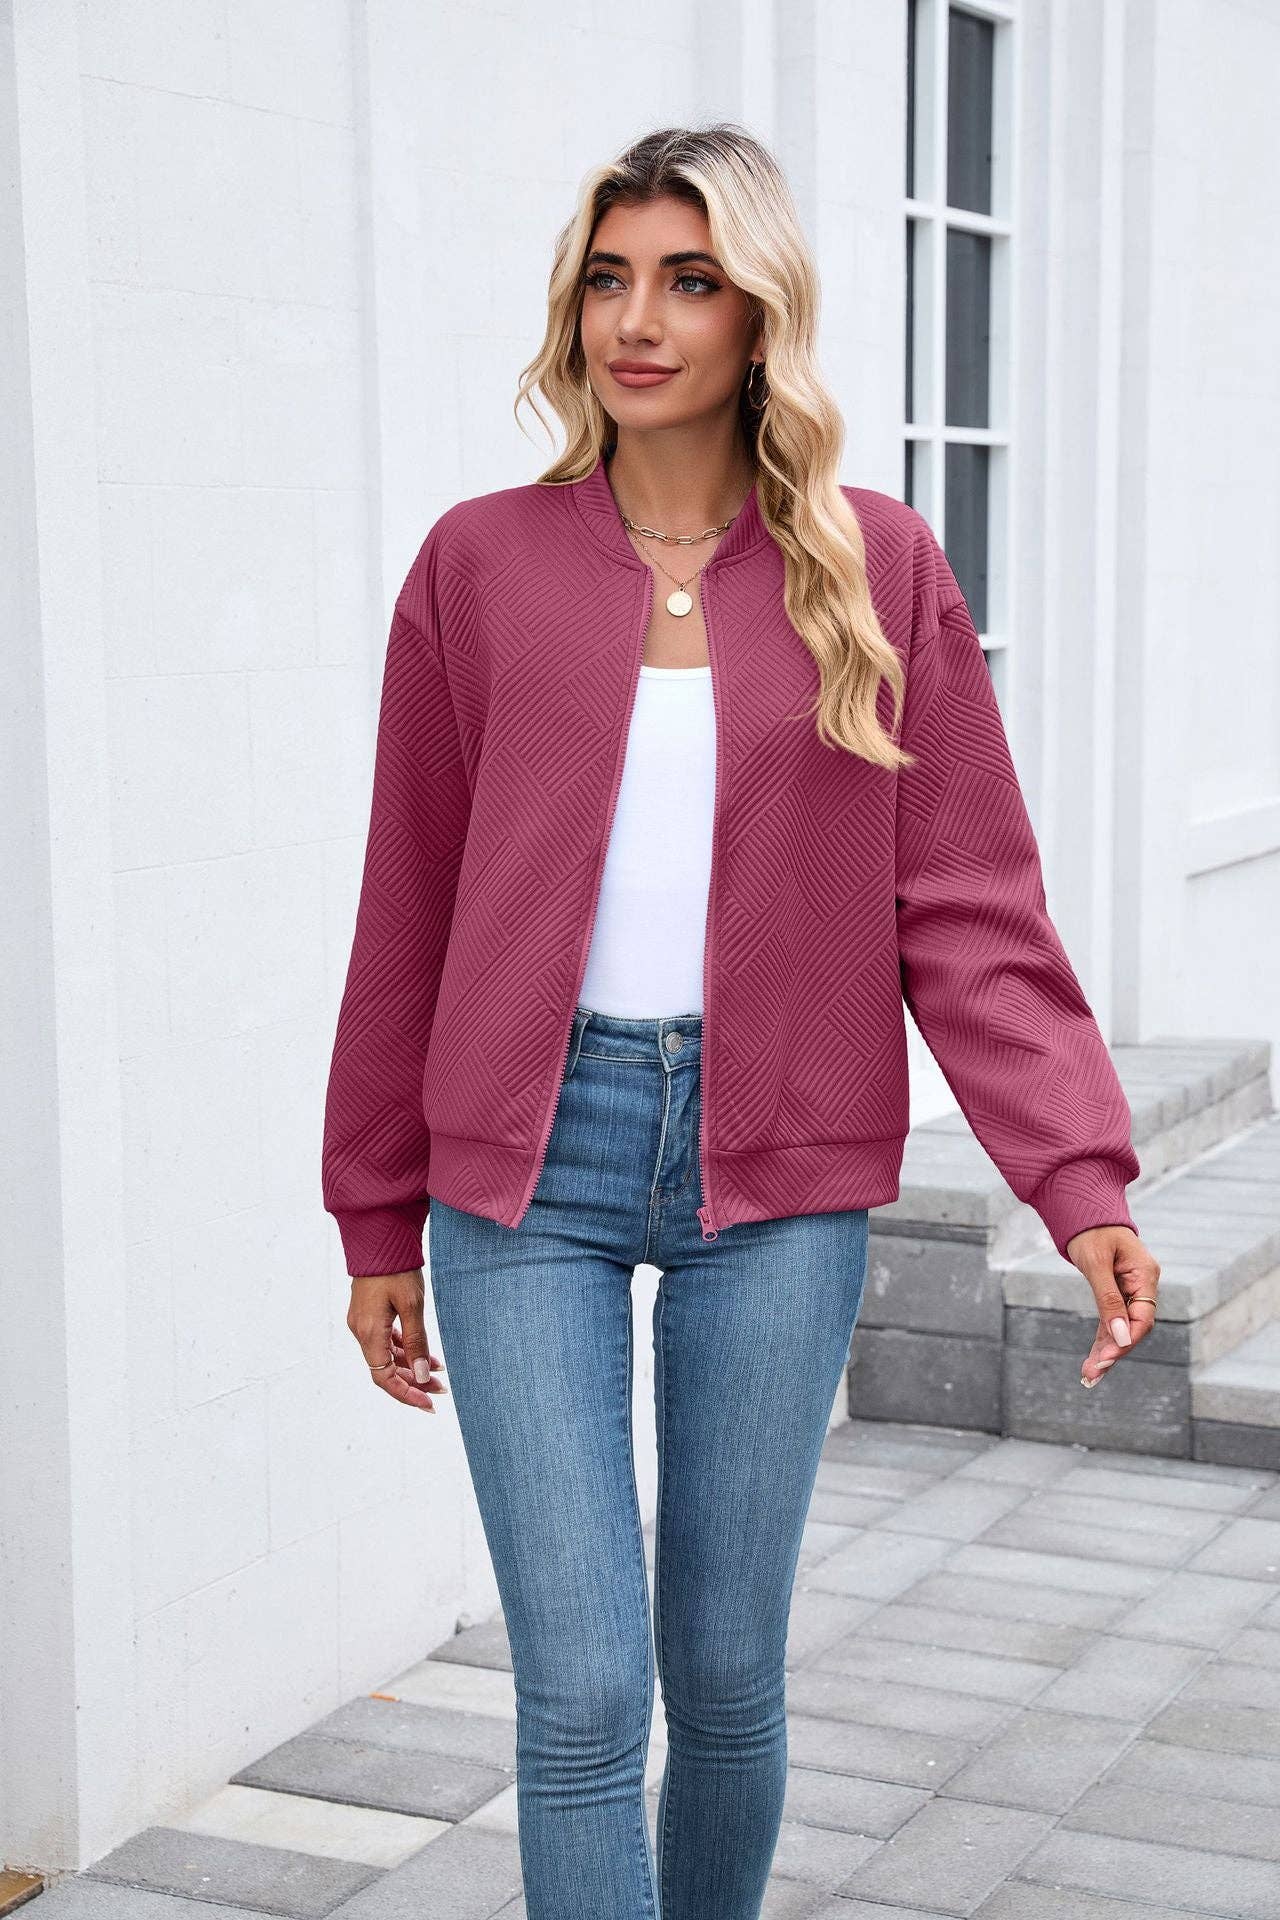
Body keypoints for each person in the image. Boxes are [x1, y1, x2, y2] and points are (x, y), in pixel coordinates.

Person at [321, 123, 1160, 1920]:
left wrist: (1076, 1173)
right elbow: (410, 905)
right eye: (609, 279)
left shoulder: (877, 563)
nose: (639, 322)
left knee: (724, 1677)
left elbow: (969, 901)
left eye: (689, 281)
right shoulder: (479, 564)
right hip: (523, 1172)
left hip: (777, 1174)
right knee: (580, 1694)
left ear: (759, 312)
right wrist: (373, 1205)